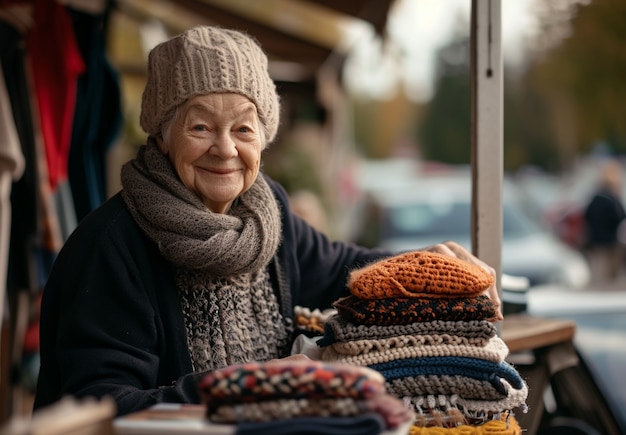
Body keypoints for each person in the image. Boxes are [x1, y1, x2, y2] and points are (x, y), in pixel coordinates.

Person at [33, 25, 502, 417]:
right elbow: (101, 410)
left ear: (264, 135)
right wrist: (253, 387)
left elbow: (343, 268)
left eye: (243, 128)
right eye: (200, 127)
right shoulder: (112, 246)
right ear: (161, 135)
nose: (225, 148)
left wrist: (426, 267)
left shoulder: (265, 214)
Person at [583, 159, 626, 284]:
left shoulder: (595, 198)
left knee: (601, 274)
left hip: (596, 241)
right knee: (610, 276)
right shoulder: (611, 200)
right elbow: (620, 216)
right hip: (610, 241)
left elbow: (587, 216)